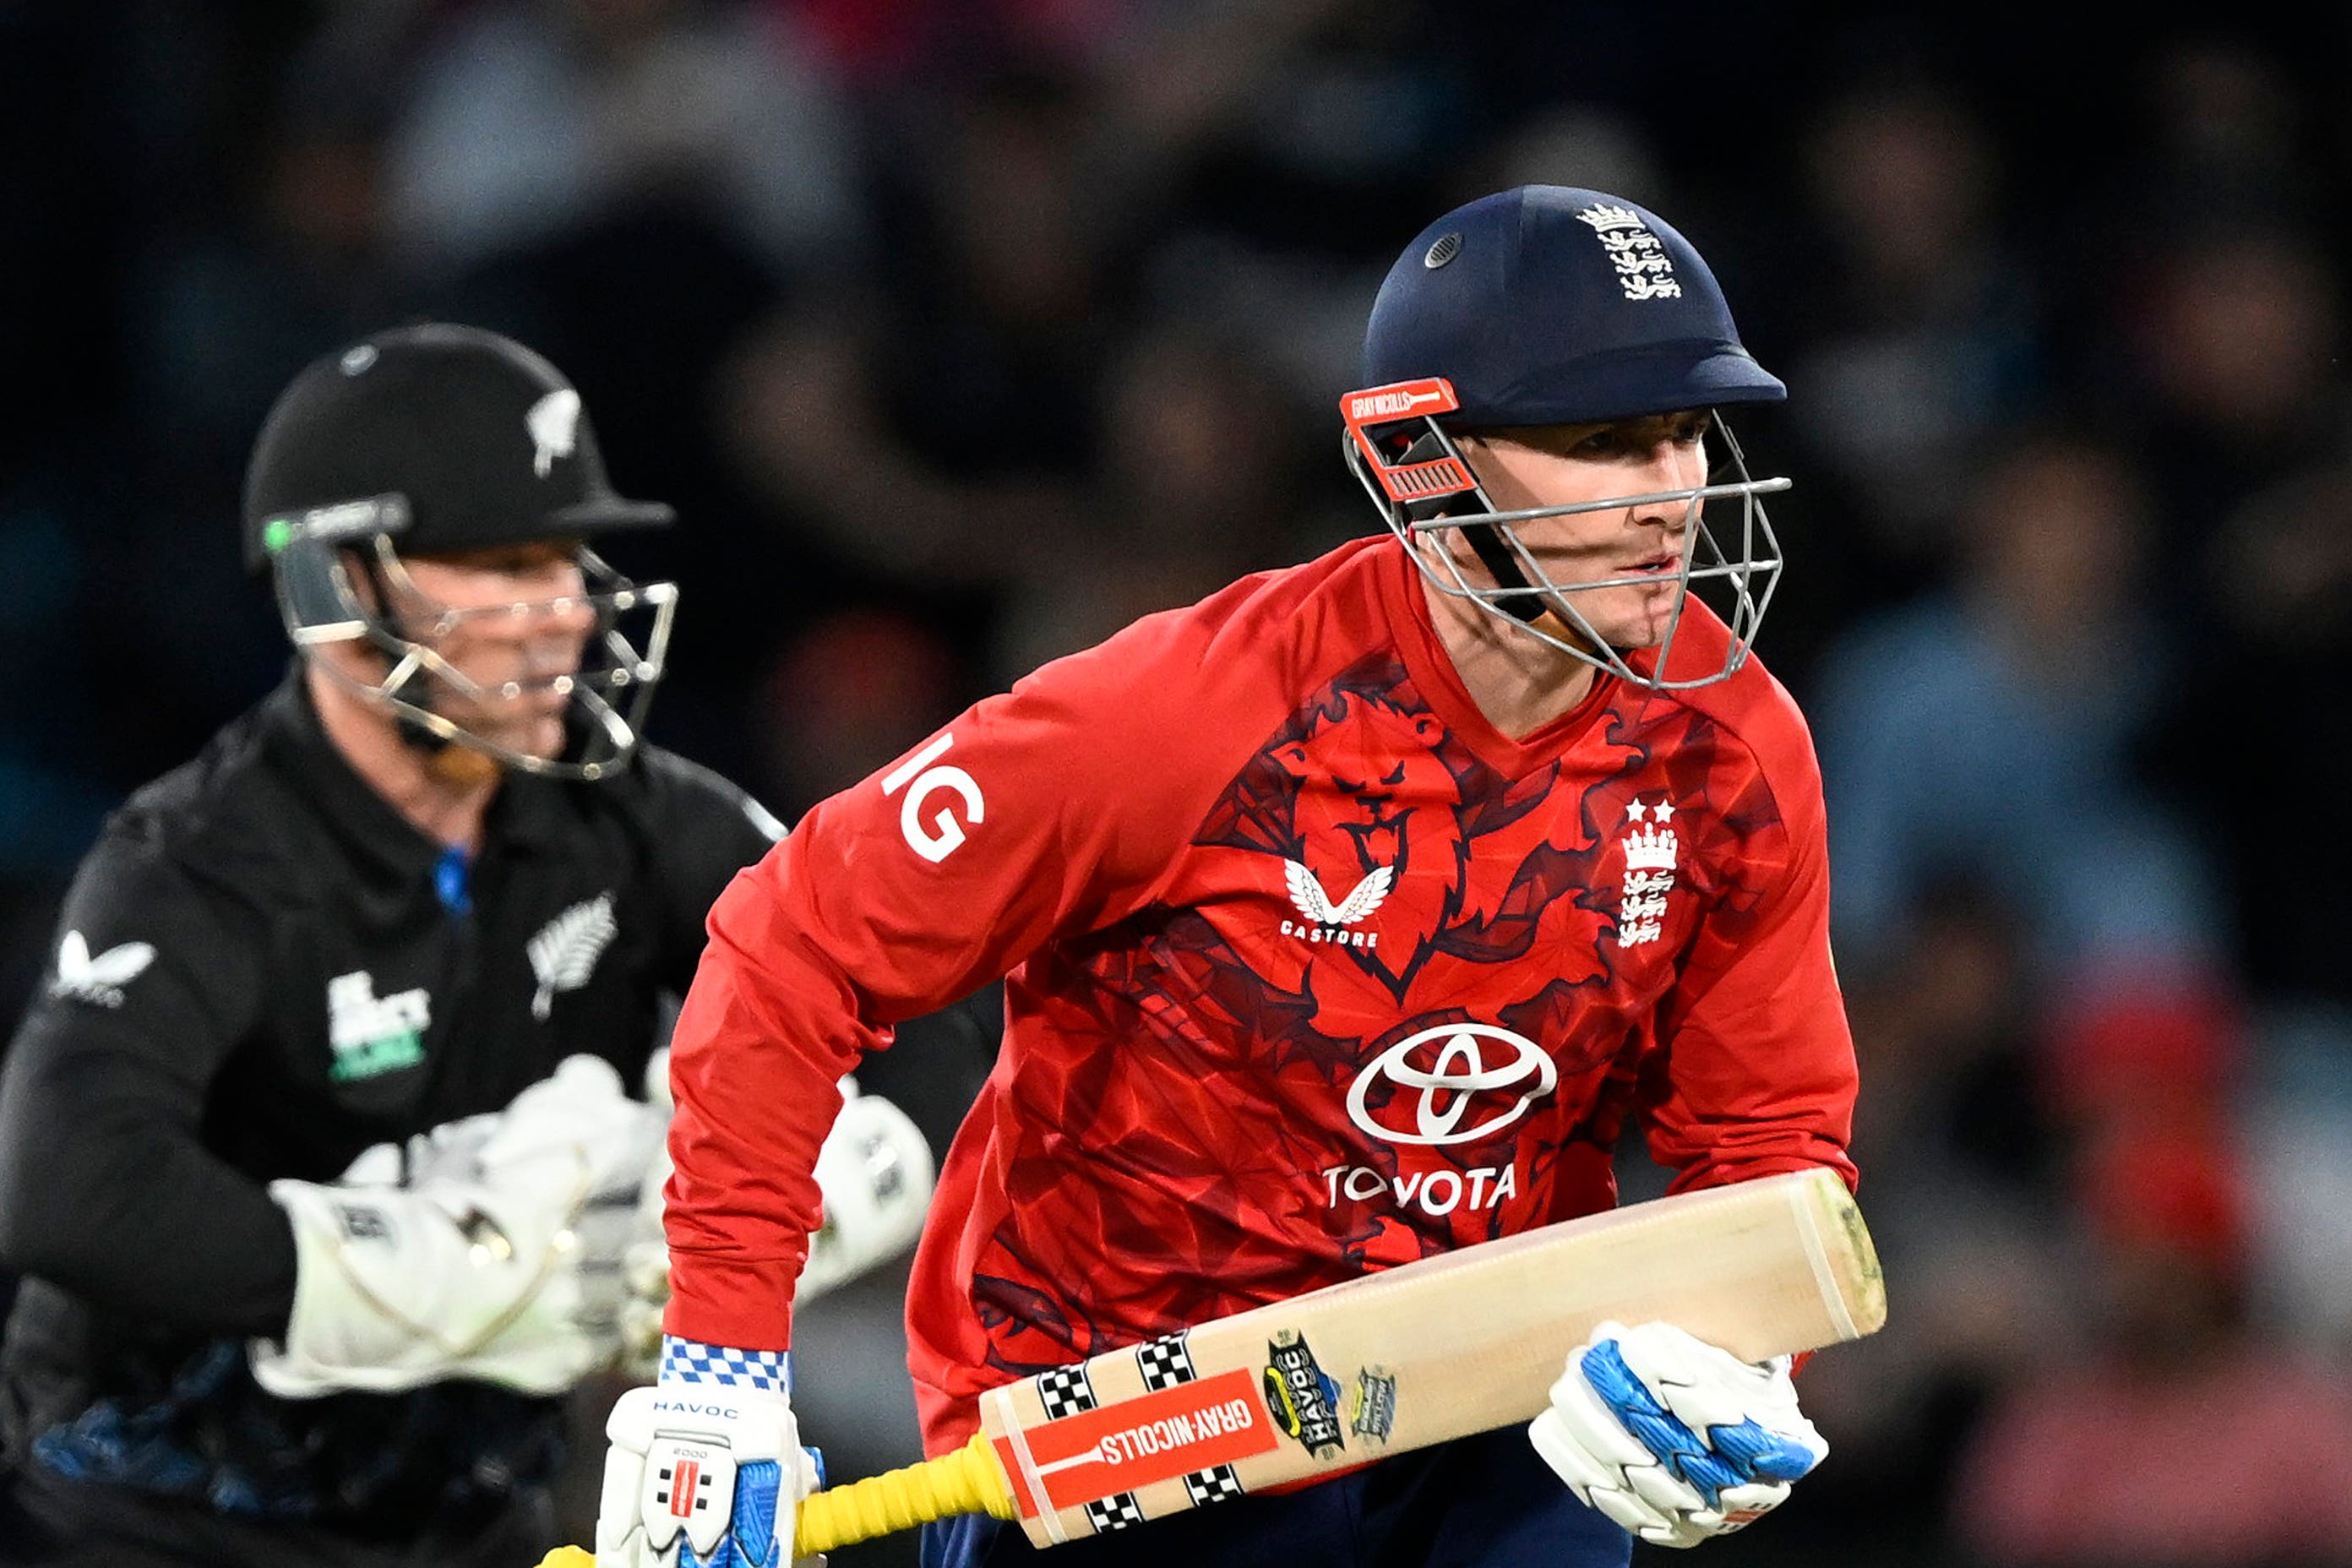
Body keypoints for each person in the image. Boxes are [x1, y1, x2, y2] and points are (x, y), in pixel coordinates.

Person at [596, 187, 1858, 1568]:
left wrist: (1749, 1358)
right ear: (1429, 466)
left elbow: (1765, 1132)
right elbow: (795, 942)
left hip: (1495, 1402)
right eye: (1604, 443)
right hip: (1131, 1414)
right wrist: (721, 1368)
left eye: (1687, 432)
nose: (1673, 494)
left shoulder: (1731, 748)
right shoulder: (1189, 716)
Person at [0, 323, 935, 1568]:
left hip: (467, 1527)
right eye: (503, 564)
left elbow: (933, 990)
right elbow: (67, 1193)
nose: (564, 611)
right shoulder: (200, 864)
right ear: (335, 588)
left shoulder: (633, 818)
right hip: (151, 1529)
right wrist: (452, 1277)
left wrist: (812, 1203)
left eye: (570, 557)